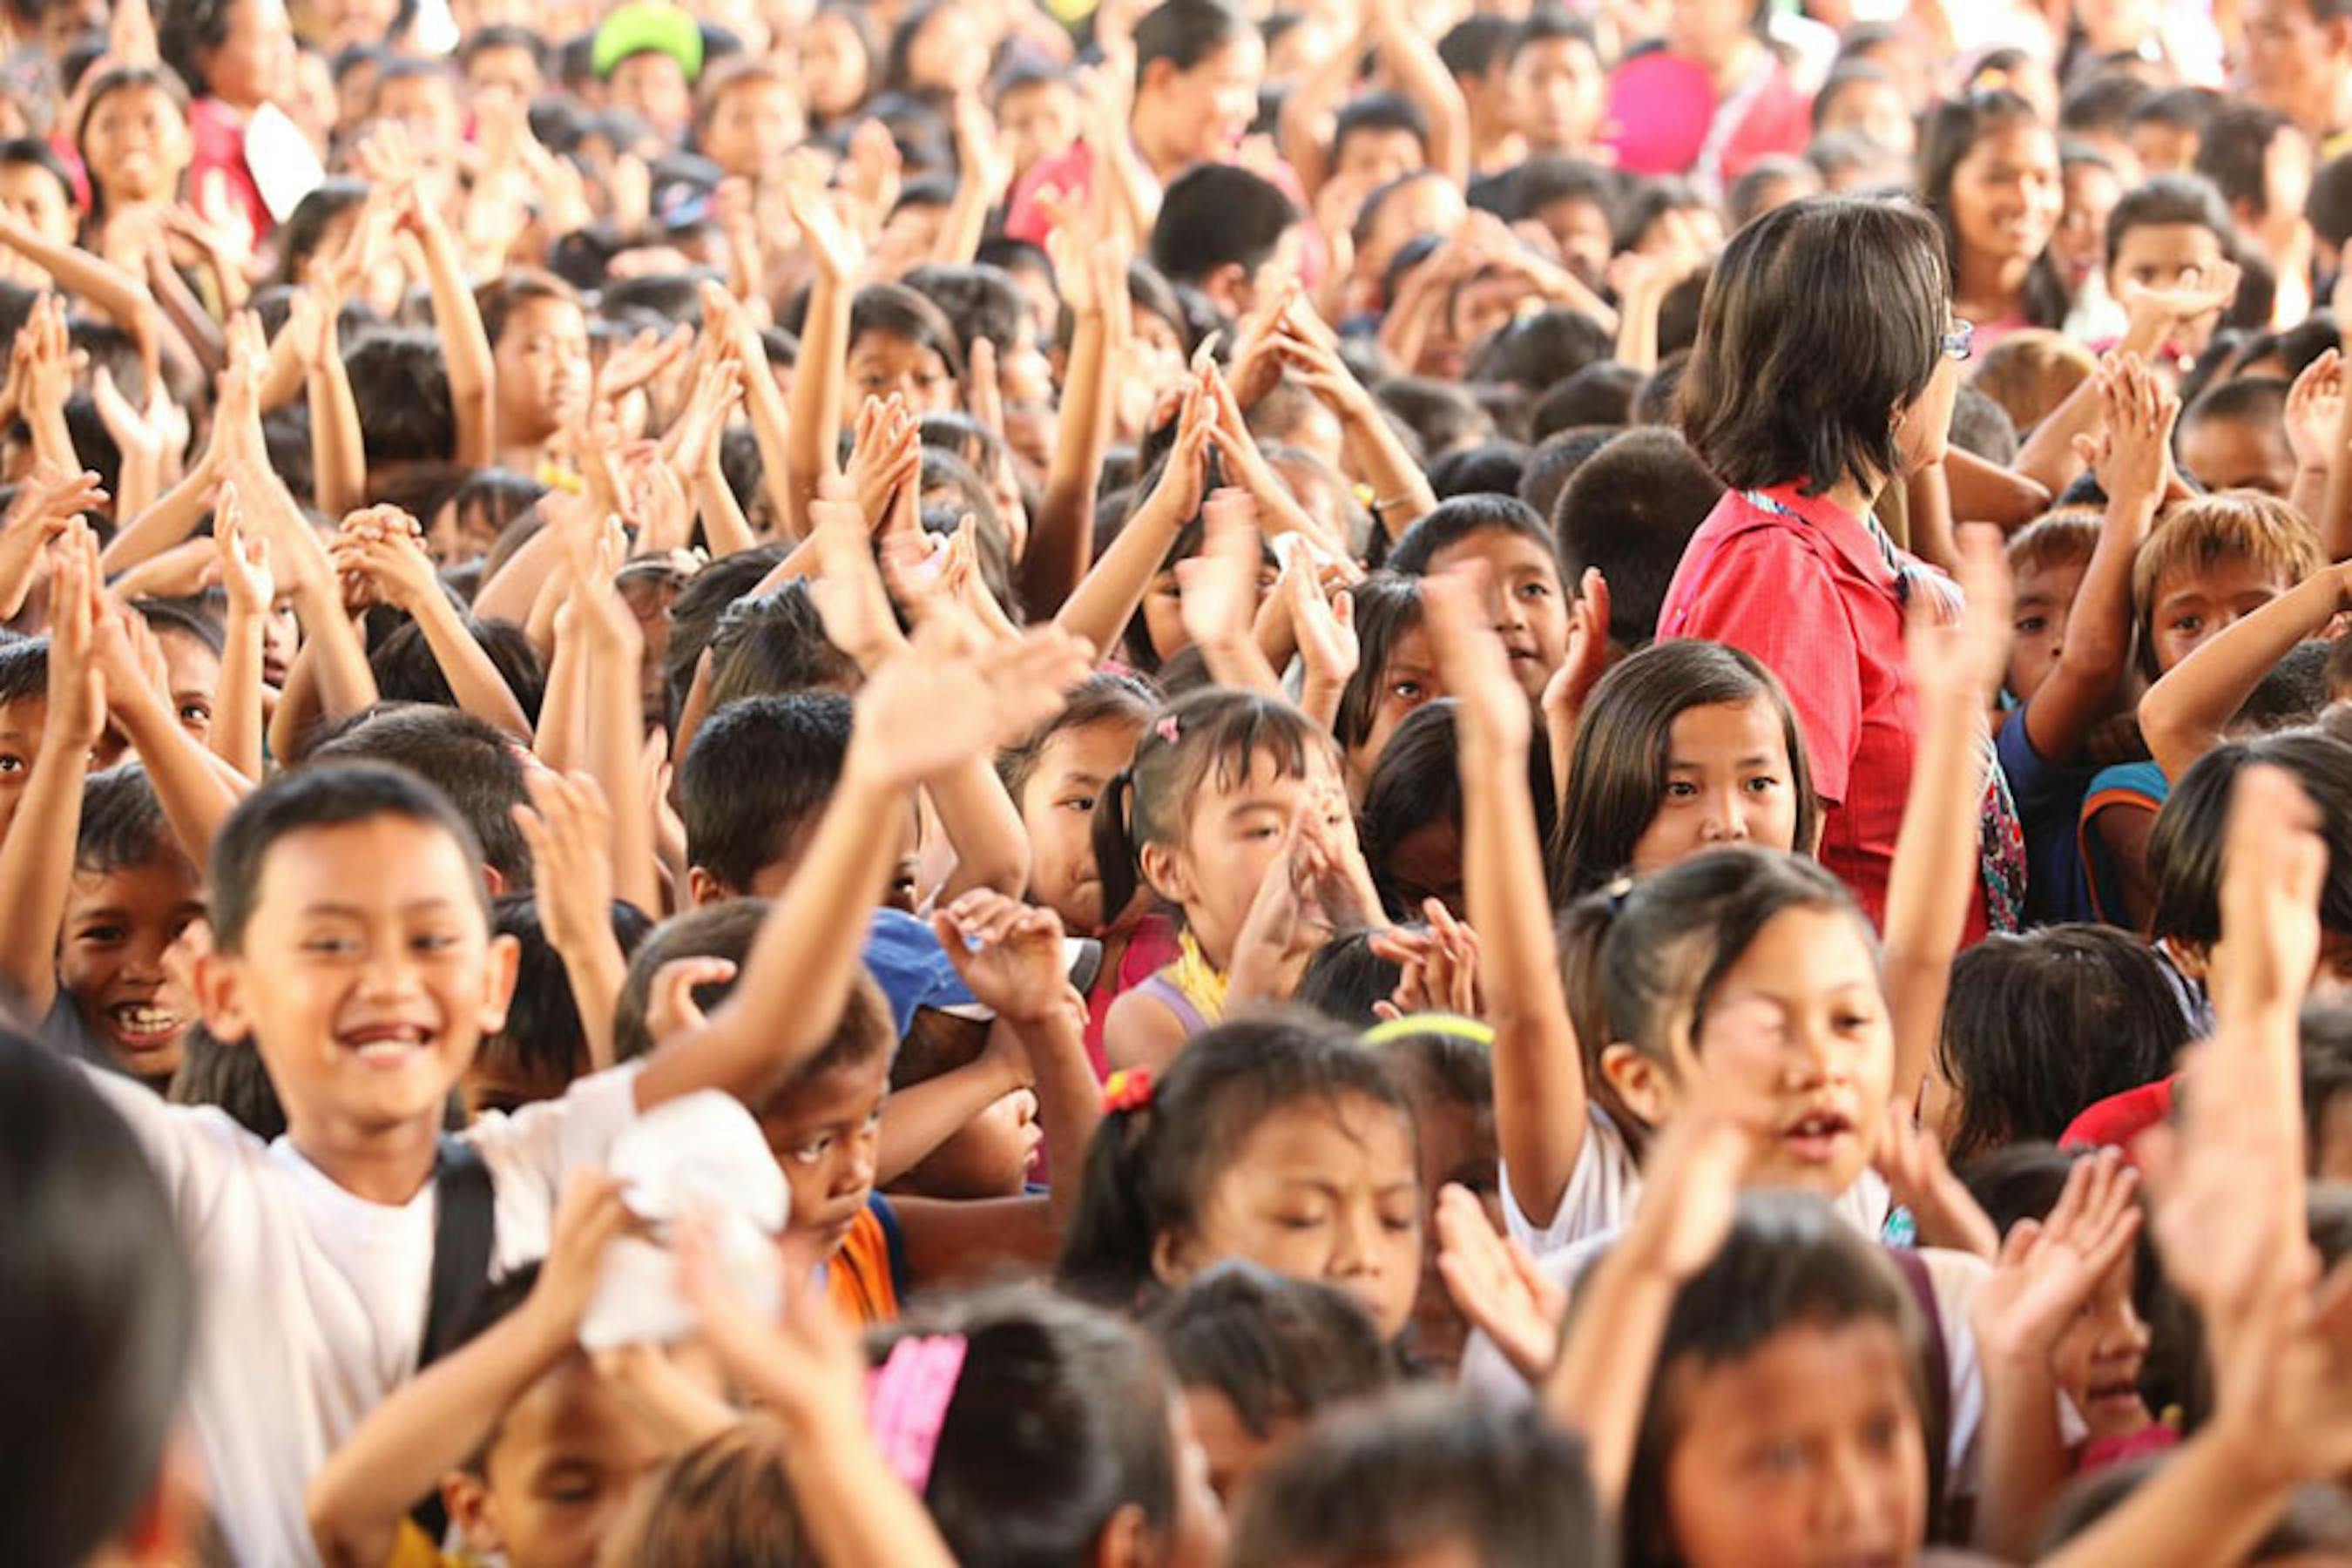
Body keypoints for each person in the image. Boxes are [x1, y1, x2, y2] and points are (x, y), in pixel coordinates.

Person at [1660, 195, 2020, 936]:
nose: (1959, 365)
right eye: (1949, 341)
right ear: (1887, 384)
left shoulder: (1825, 540)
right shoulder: (1779, 576)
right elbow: (1771, 879)